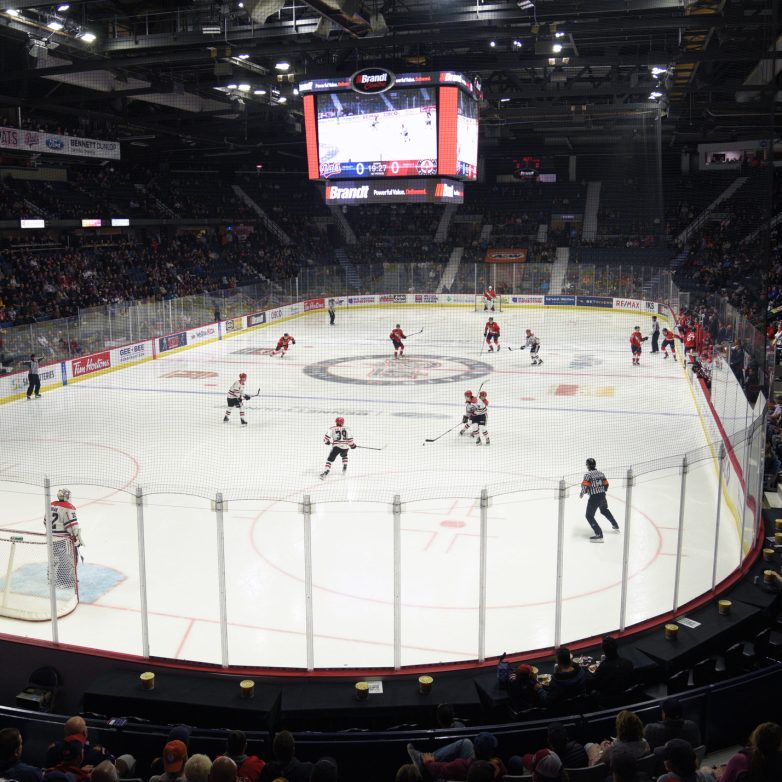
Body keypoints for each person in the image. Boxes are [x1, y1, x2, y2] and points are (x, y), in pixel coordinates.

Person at [407, 732, 505, 781]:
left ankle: (421, 761)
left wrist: (429, 762)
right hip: (480, 769)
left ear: (475, 749)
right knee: (466, 742)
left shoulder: (461, 765)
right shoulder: (498, 766)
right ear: (491, 752)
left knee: (466, 742)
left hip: (468, 771)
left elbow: (440, 769)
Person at [712, 721, 782, 782]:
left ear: (755, 737)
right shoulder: (777, 762)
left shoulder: (740, 760)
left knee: (704, 771)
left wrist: (720, 776)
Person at [46, 488, 84, 588]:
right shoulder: (68, 508)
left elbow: (45, 521)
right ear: (67, 497)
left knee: (54, 558)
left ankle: (51, 578)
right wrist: (76, 538)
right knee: (66, 559)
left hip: (50, 538)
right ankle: (65, 581)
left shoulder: (51, 505)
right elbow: (72, 526)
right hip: (63, 539)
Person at [580, 458, 620, 542]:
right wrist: (601, 491)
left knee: (589, 516)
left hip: (594, 497)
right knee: (604, 510)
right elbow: (606, 484)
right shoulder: (601, 473)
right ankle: (615, 525)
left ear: (587, 465)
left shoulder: (588, 475)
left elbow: (585, 486)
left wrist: (583, 493)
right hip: (602, 495)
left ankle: (599, 534)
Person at [589, 635, 634, 707]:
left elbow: (595, 685)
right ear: (617, 647)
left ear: (603, 650)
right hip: (625, 698)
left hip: (609, 702)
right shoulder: (628, 663)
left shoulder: (602, 669)